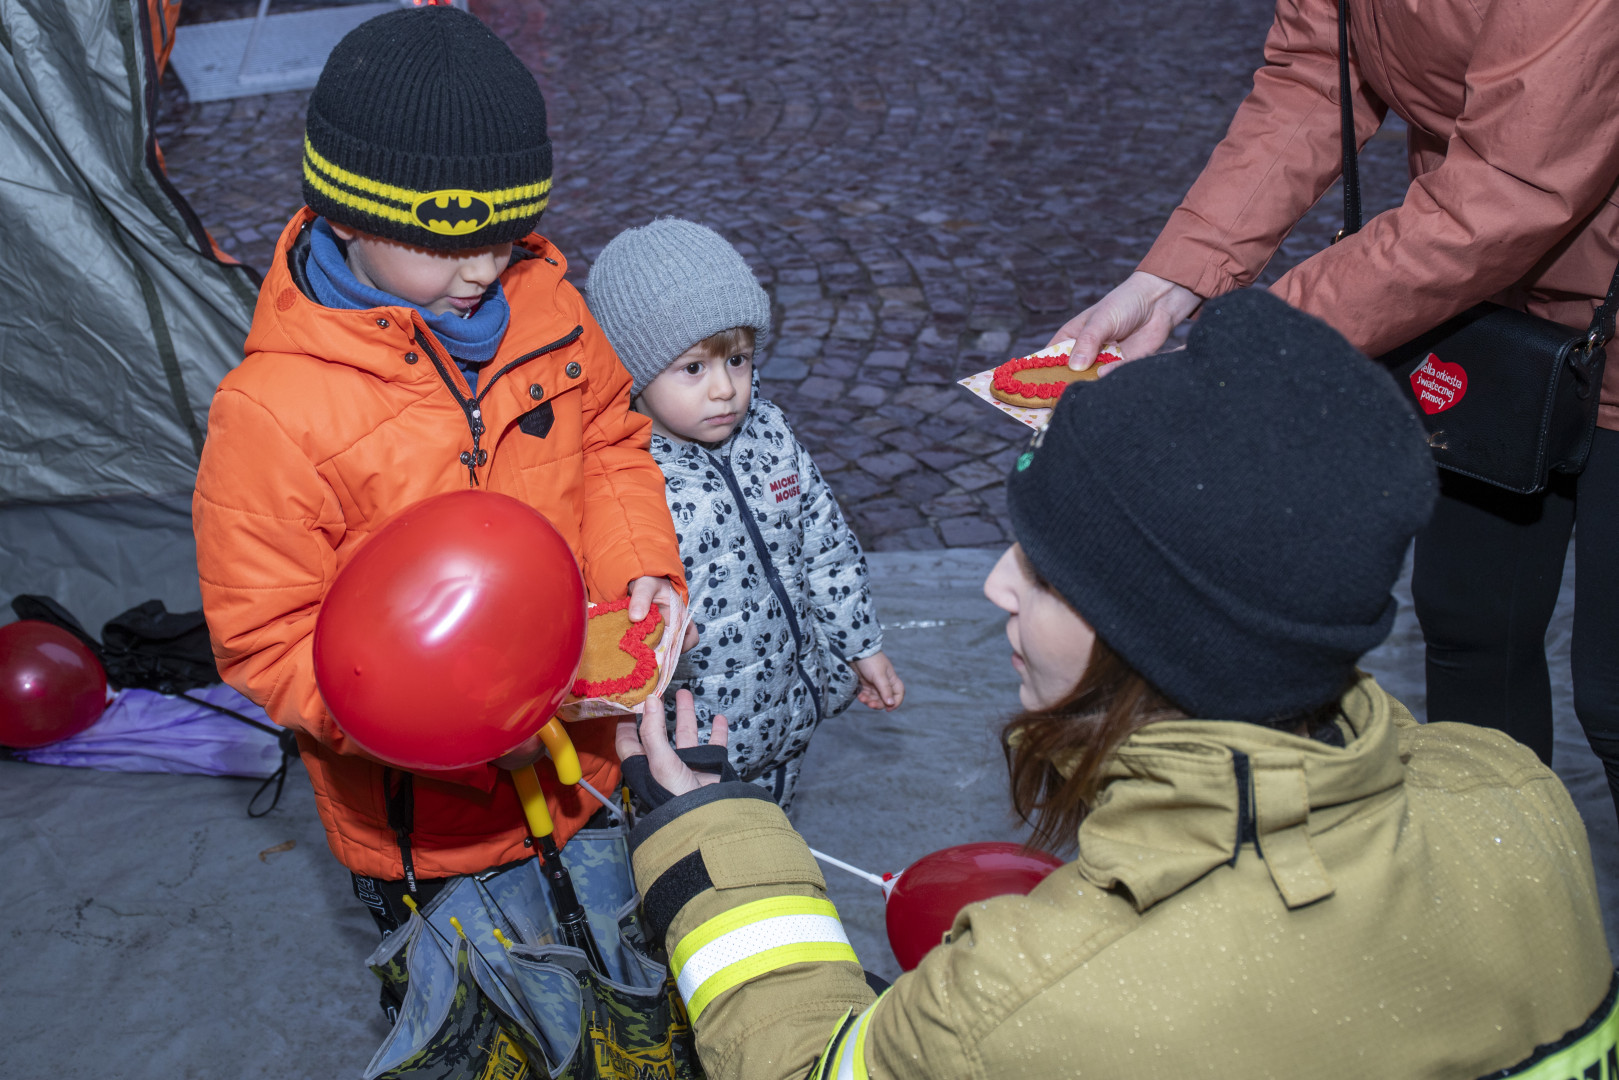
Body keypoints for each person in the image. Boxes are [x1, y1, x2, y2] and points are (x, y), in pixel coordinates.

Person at [614, 290, 1615, 1078]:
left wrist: (712, 834)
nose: (995, 585)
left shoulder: (1024, 1003)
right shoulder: (1515, 799)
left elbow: (809, 1067)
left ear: (1152, 636)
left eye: (1046, 574)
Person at [1050, 0, 1619, 822]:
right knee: (1468, 628)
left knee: (1611, 693)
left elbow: (1507, 188)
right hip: (1481, 307)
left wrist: (1266, 337)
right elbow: (1316, 73)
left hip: (1532, 276)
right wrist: (1175, 278)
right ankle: (1494, 881)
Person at [191, 8, 684, 947]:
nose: (484, 272)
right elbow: (266, 636)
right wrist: (446, 727)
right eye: (455, 246)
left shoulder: (551, 311)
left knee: (609, 957)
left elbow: (609, 445)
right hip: (426, 828)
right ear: (350, 215)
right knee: (470, 998)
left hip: (582, 767)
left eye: (508, 237)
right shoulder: (271, 410)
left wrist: (639, 572)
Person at [586, 218, 904, 811]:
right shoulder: (628, 485)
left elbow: (828, 549)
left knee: (774, 830)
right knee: (695, 852)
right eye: (693, 368)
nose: (725, 390)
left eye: (737, 360)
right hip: (697, 746)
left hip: (792, 706)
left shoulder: (771, 434)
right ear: (634, 373)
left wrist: (860, 647)